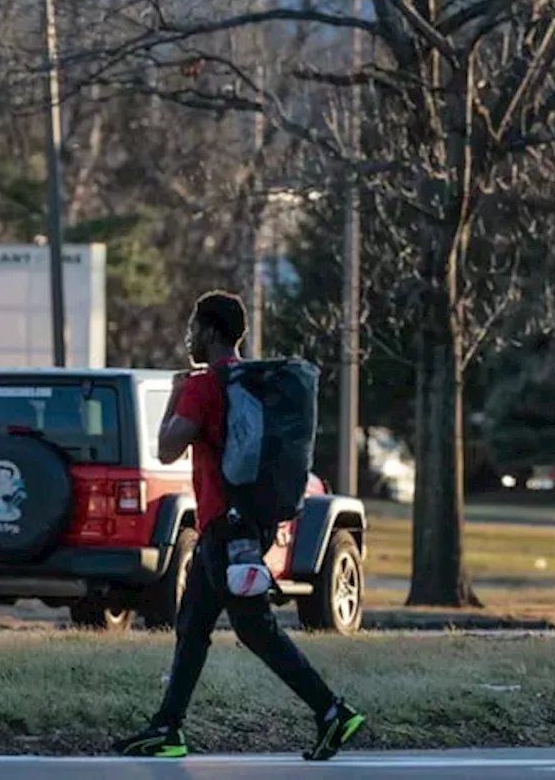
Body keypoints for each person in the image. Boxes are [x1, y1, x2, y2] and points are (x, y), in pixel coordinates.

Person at [112, 290, 365, 761]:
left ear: (210, 332)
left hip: (225, 531)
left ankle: (332, 711)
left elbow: (168, 448)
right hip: (240, 525)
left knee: (256, 629)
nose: (189, 335)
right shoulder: (248, 384)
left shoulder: (204, 387)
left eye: (193, 326)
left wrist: (173, 394)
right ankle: (167, 728)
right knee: (192, 625)